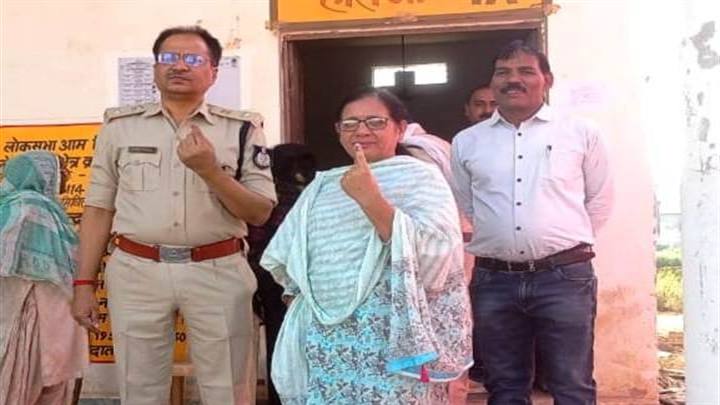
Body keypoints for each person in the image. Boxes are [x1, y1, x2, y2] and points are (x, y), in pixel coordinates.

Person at [70, 26, 276, 405]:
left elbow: (260, 211)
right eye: (168, 57)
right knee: (139, 389)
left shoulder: (242, 129)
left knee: (228, 390)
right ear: (154, 68)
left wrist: (211, 171)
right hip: (136, 270)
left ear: (213, 72)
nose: (179, 65)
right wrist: (84, 283)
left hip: (218, 270)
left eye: (193, 59)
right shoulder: (119, 127)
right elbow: (99, 209)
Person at [261, 88, 473, 404]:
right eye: (350, 124)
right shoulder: (323, 186)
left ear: (400, 128)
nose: (361, 131)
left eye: (375, 122)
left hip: (392, 332)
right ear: (338, 131)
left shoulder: (422, 179)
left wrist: (370, 198)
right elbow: (286, 255)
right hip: (330, 335)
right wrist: (299, 300)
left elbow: (436, 255)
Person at [451, 40, 613, 404]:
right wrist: (506, 239)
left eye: (525, 71)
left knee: (571, 384)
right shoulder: (467, 142)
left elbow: (599, 200)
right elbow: (468, 204)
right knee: (505, 386)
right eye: (503, 72)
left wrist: (560, 242)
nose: (513, 80)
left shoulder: (580, 132)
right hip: (495, 280)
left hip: (565, 278)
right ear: (493, 81)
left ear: (547, 80)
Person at [0, 151, 88, 405]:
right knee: (31, 381)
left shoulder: (11, 205)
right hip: (33, 308)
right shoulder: (32, 206)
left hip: (19, 307)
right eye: (62, 172)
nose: (65, 178)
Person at [247, 143, 317, 405]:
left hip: (272, 279)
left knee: (279, 341)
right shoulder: (315, 193)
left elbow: (256, 241)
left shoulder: (268, 197)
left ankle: (281, 398)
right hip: (307, 279)